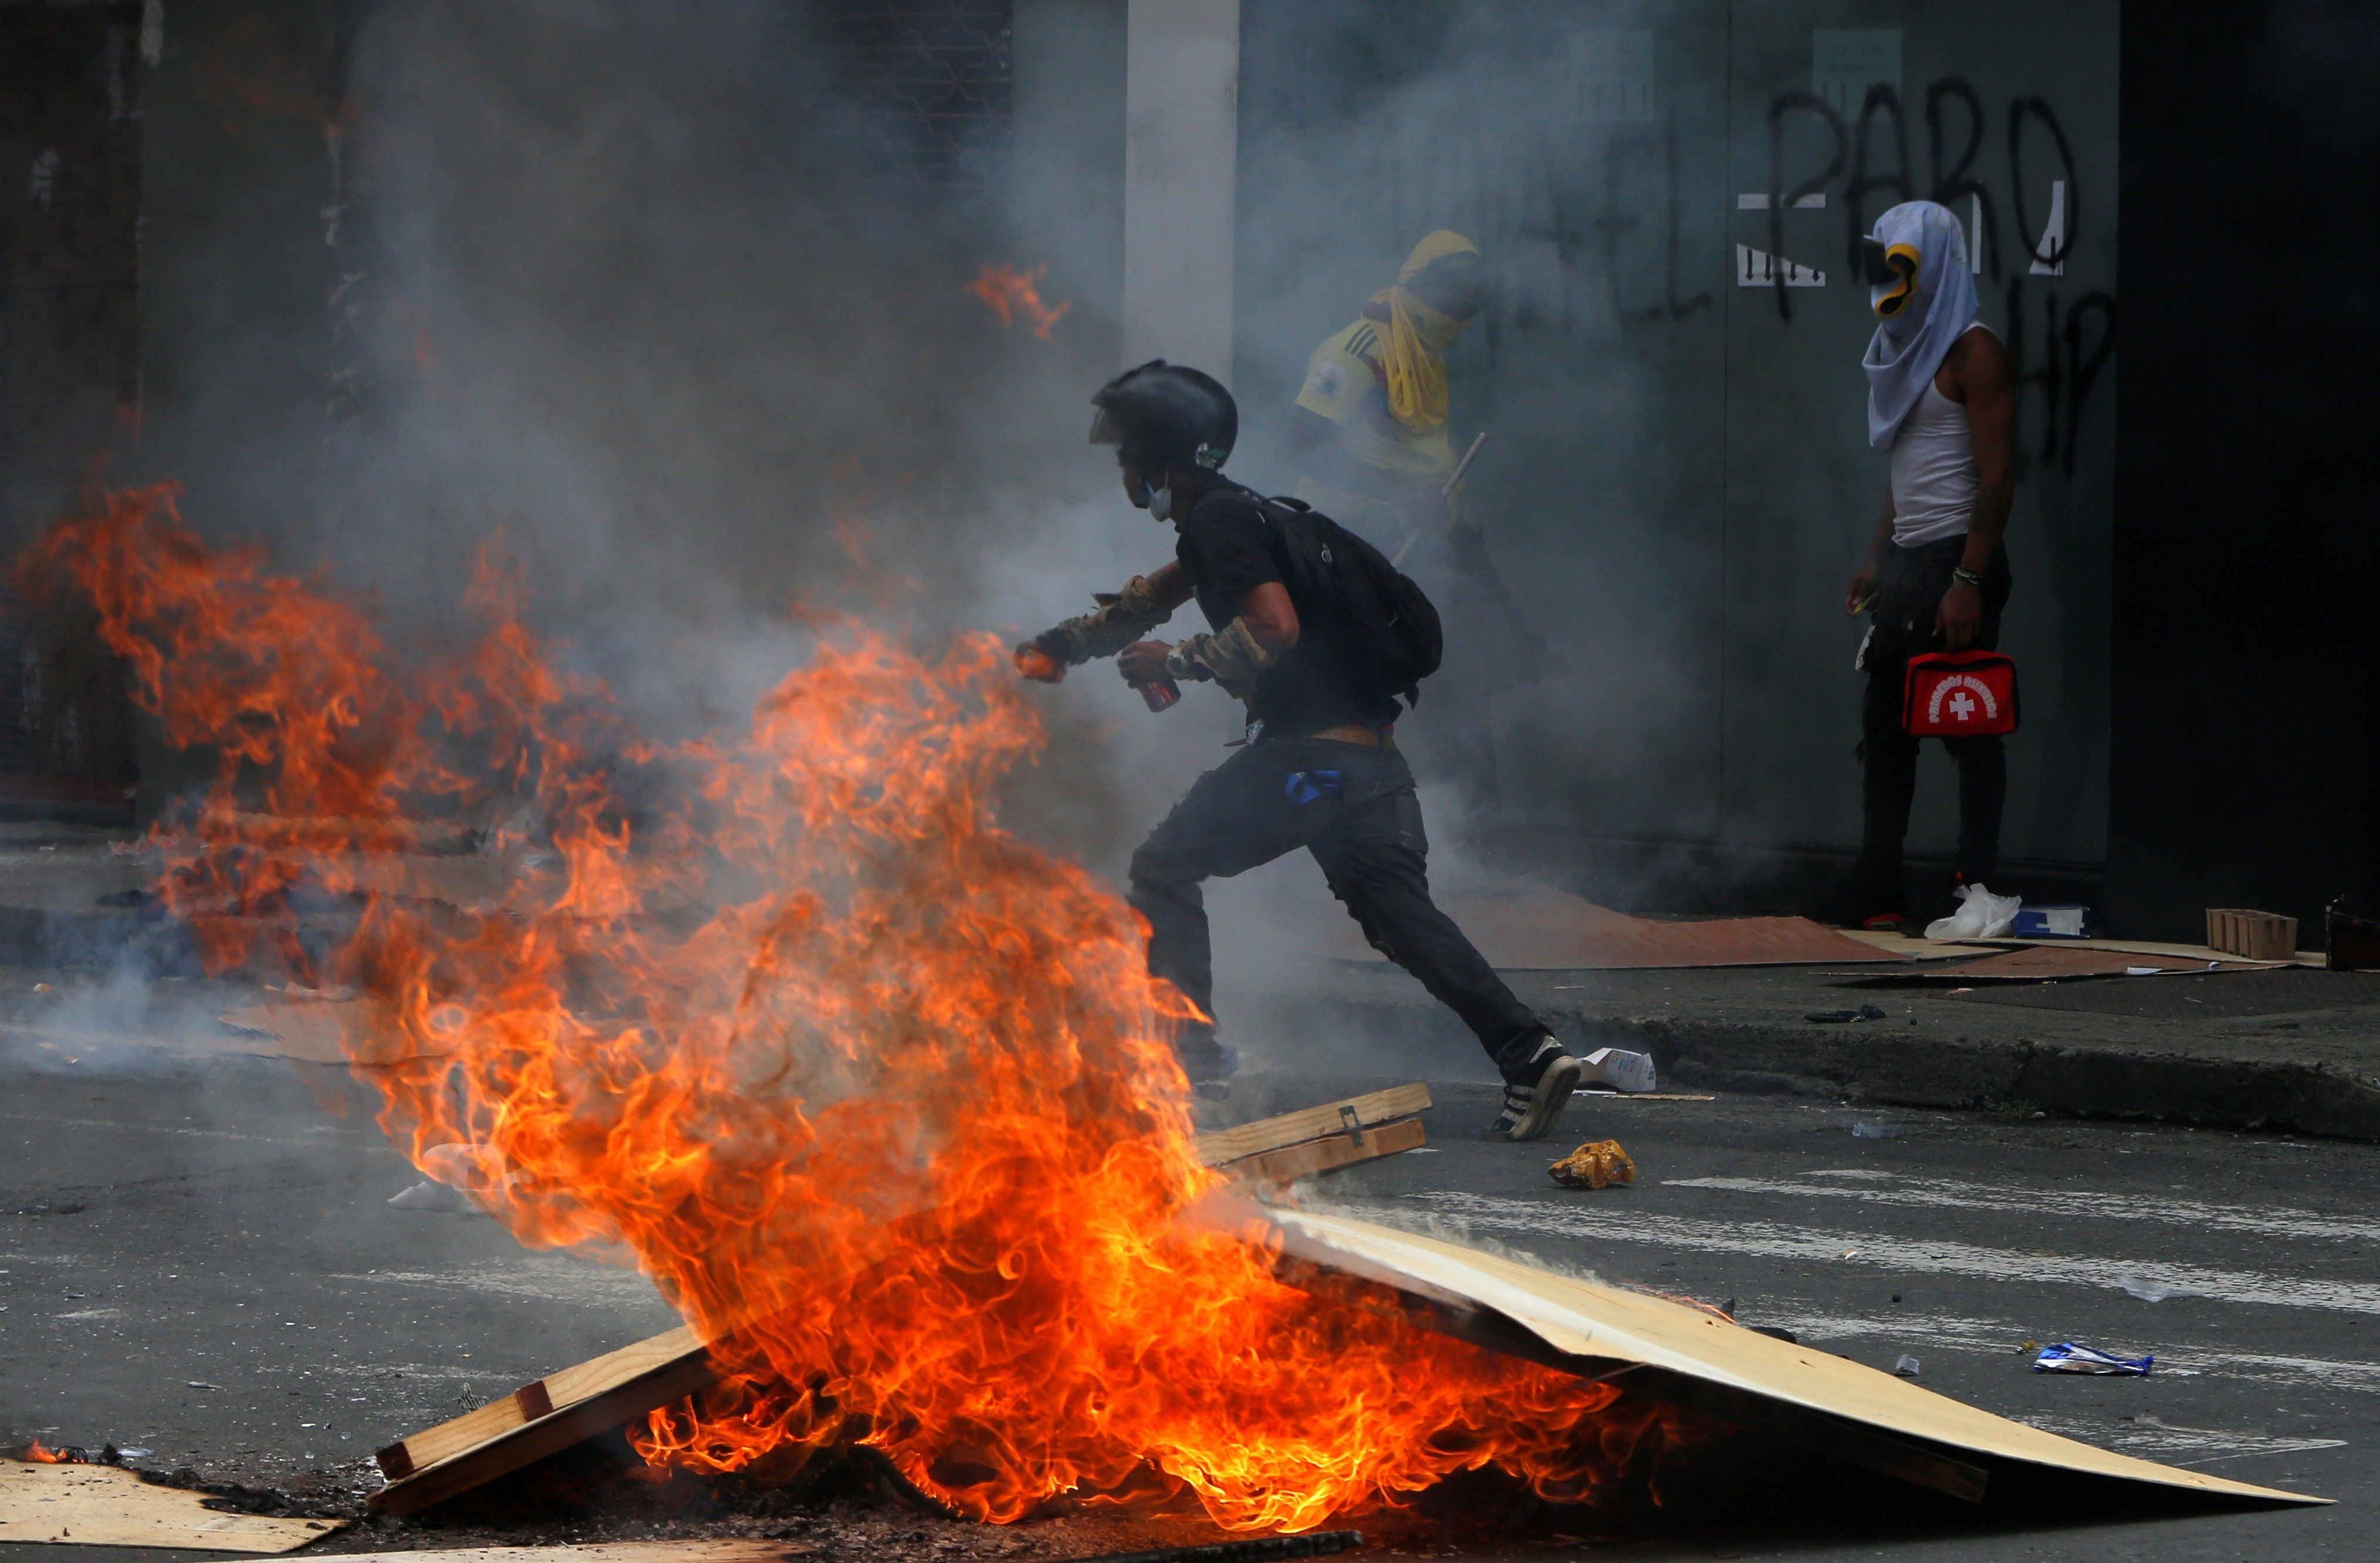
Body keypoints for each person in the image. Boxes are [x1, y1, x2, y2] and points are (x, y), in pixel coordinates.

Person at [1019, 360, 1584, 1141]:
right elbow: (1148, 600)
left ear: (1158, 456)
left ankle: (1196, 1064)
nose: (1118, 468)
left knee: (1165, 866)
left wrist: (1176, 662)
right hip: (1367, 766)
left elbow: (1275, 628)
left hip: (1308, 770)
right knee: (1404, 923)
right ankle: (1530, 1054)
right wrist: (1054, 649)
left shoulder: (1218, 521)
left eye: (1125, 453)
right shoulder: (1240, 518)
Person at [1289, 231, 1535, 817]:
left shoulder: (1424, 351)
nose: (1460, 313)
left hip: (1423, 540)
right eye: (1451, 297)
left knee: (1456, 674)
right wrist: (1396, 497)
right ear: (1416, 286)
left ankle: (1474, 831)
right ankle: (1307, 825)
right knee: (1334, 692)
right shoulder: (1355, 349)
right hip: (1351, 548)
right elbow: (1303, 439)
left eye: (1470, 302)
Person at [1835, 200, 2017, 928]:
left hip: (1955, 562)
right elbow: (1907, 471)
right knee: (1886, 729)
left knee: (1967, 726)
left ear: (1932, 262)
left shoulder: (1975, 351)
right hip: (1910, 562)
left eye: (1898, 264)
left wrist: (1968, 581)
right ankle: (1878, 883)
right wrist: (1880, 556)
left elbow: (1998, 478)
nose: (1885, 279)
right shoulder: (1905, 345)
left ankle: (1976, 882)